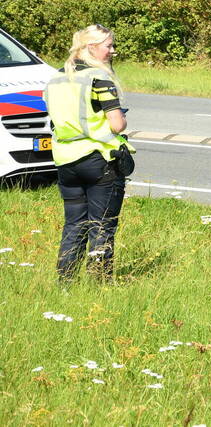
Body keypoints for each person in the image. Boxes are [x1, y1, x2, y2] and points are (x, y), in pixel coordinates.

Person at [43, 24, 135, 282]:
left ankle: (65, 283)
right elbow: (116, 124)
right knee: (102, 226)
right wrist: (121, 121)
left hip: (66, 161)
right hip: (99, 161)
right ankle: (101, 283)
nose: (113, 51)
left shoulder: (56, 78)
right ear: (91, 47)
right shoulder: (99, 78)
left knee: (74, 224)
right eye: (109, 46)